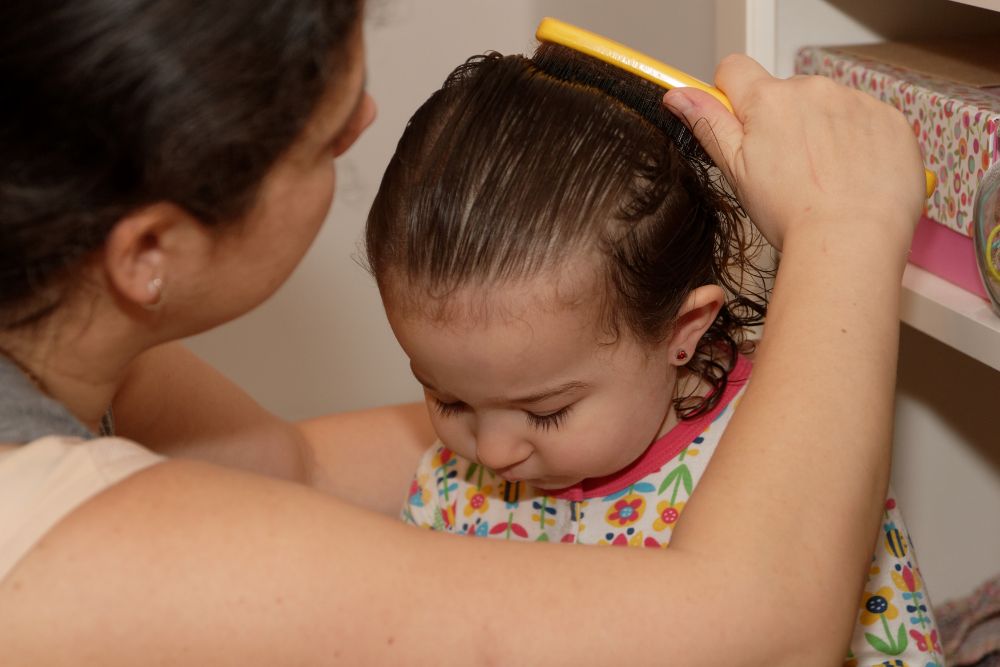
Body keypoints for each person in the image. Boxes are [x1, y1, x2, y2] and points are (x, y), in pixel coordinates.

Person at [0, 1, 928, 664]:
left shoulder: (83, 372)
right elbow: (757, 630)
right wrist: (845, 225)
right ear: (147, 249)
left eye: (544, 408)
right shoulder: (47, 535)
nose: (491, 448)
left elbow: (292, 465)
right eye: (324, 140)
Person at [366, 47, 942, 665]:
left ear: (682, 330)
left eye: (546, 412)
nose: (493, 452)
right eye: (449, 399)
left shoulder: (788, 462)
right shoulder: (454, 487)